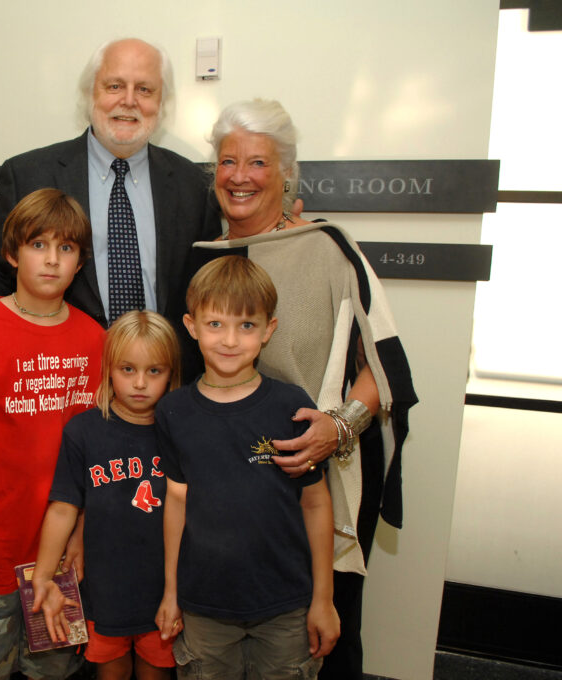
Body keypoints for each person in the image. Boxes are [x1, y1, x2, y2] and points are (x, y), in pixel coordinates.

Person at [170, 99, 417, 680]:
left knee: (324, 635)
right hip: (229, 497)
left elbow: (385, 361)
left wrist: (342, 426)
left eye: (258, 162)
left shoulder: (329, 248)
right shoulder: (201, 262)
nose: (239, 175)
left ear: (287, 174)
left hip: (321, 478)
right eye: (227, 162)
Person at [0, 37, 219, 352]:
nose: (129, 101)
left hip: (164, 380)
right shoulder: (29, 175)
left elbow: (212, 286)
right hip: (61, 377)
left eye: (145, 89)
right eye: (114, 86)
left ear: (162, 102)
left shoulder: (193, 185)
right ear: (90, 93)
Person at [0, 188, 105, 679]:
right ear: (12, 253)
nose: (52, 260)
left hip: (61, 549)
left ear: (80, 262)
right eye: (38, 245)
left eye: (67, 248)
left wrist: (80, 532)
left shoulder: (95, 338)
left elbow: (95, 450)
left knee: (53, 666)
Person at [154, 255, 339, 679]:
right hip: (204, 607)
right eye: (216, 324)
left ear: (269, 330)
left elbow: (315, 503)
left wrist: (323, 599)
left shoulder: (291, 407)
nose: (230, 340)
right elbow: (176, 504)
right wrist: (171, 592)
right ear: (191, 325)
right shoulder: (173, 412)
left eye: (247, 326)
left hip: (286, 606)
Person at [30, 310, 181, 680]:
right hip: (104, 590)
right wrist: (44, 576)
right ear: (109, 368)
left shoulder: (181, 431)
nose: (140, 383)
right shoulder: (83, 432)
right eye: (127, 369)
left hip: (164, 592)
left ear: (171, 373)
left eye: (154, 371)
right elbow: (64, 507)